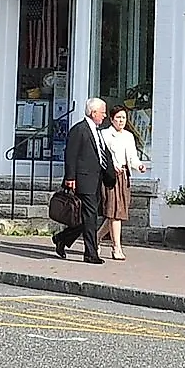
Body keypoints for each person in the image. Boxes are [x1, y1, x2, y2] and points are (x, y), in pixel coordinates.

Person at [54, 96, 112, 264]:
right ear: (93, 112)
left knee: (86, 217)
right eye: (102, 112)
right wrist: (70, 177)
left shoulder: (97, 131)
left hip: (96, 179)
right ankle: (90, 254)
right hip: (83, 180)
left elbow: (102, 153)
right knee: (90, 217)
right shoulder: (79, 130)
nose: (104, 115)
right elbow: (71, 154)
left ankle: (62, 238)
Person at [98, 104, 149, 260]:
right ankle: (116, 247)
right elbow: (101, 156)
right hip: (110, 177)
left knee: (117, 213)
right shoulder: (105, 134)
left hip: (124, 176)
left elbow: (132, 157)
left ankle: (96, 237)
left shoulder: (128, 136)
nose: (121, 121)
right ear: (111, 119)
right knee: (114, 213)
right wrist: (112, 165)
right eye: (118, 117)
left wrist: (139, 165)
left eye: (124, 118)